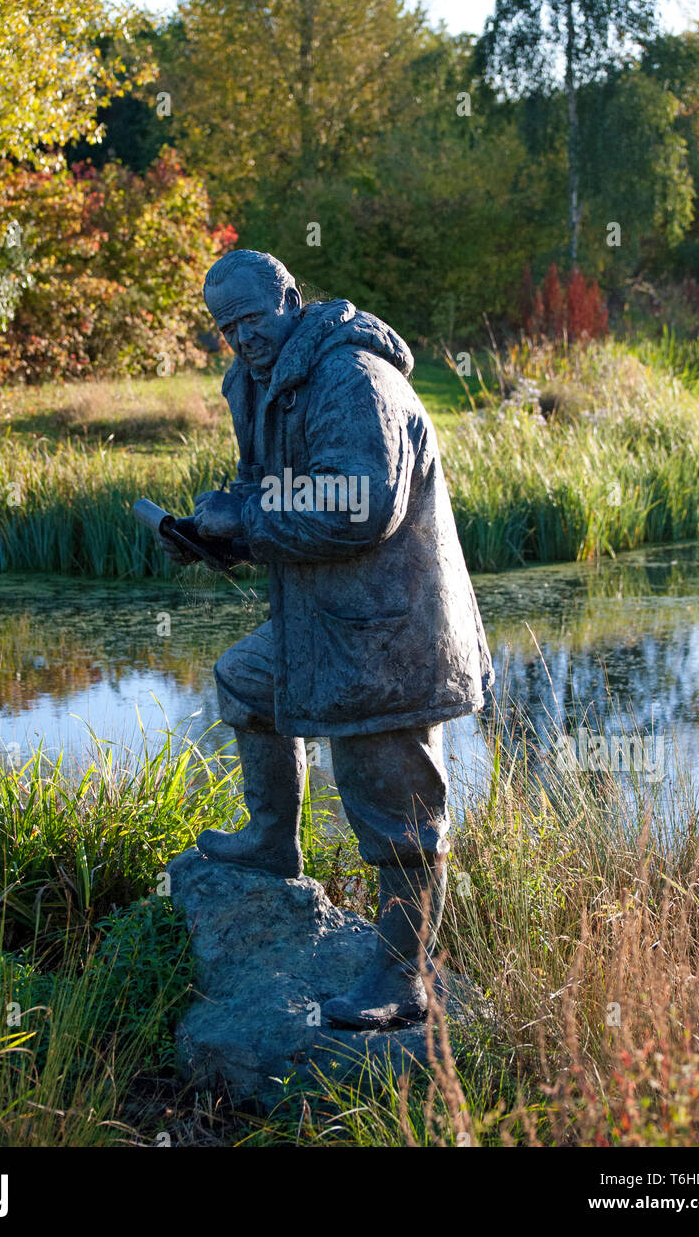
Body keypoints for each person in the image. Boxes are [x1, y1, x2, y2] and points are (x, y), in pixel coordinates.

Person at [161, 248, 493, 1029]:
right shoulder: (259, 383)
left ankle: (401, 977)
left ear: (291, 298)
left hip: (392, 633)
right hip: (323, 621)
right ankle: (274, 839)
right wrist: (216, 527)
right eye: (227, 328)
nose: (242, 338)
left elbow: (357, 505)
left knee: (396, 812)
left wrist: (248, 521)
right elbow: (271, 492)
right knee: (246, 679)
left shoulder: (354, 377)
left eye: (252, 319)